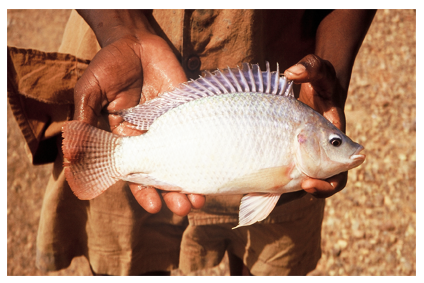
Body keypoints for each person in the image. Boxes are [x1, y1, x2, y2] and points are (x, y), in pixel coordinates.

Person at [7, 9, 375, 275]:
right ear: (303, 138)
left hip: (282, 44)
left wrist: (333, 73)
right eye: (334, 142)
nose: (346, 148)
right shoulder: (292, 138)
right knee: (126, 254)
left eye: (336, 142)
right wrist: (121, 29)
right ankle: (119, 157)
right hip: (124, 65)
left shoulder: (301, 110)